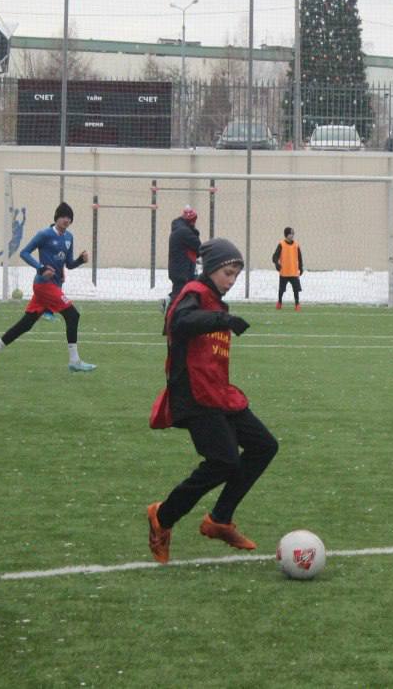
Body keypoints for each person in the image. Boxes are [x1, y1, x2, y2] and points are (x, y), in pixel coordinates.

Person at [146, 238, 278, 564]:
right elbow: (179, 322)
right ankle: (162, 516)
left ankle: (219, 519)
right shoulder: (194, 292)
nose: (231, 281)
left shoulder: (217, 302)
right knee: (223, 462)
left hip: (219, 392)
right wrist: (223, 321)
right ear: (212, 269)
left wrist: (223, 317)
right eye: (227, 273)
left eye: (236, 275)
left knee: (264, 446)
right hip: (193, 394)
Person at [0, 202, 94, 376]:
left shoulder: (69, 238)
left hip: (52, 286)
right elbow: (24, 252)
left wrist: (80, 260)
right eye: (63, 216)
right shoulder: (44, 234)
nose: (66, 220)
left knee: (26, 324)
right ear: (56, 217)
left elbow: (69, 264)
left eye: (69, 218)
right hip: (43, 285)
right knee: (73, 315)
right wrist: (41, 268)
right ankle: (74, 361)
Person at [166, 205, 201, 310]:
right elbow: (198, 246)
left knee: (182, 290)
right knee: (180, 293)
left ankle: (170, 303)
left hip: (179, 268)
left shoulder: (179, 229)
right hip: (182, 269)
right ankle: (171, 309)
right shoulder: (185, 232)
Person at [272, 227, 304, 310]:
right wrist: (277, 264)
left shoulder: (296, 245)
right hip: (284, 272)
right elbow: (275, 256)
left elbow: (300, 258)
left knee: (296, 290)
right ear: (286, 235)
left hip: (293, 272)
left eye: (293, 234)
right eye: (290, 234)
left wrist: (300, 267)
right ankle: (279, 302)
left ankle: (297, 304)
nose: (292, 235)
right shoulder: (281, 244)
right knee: (281, 290)